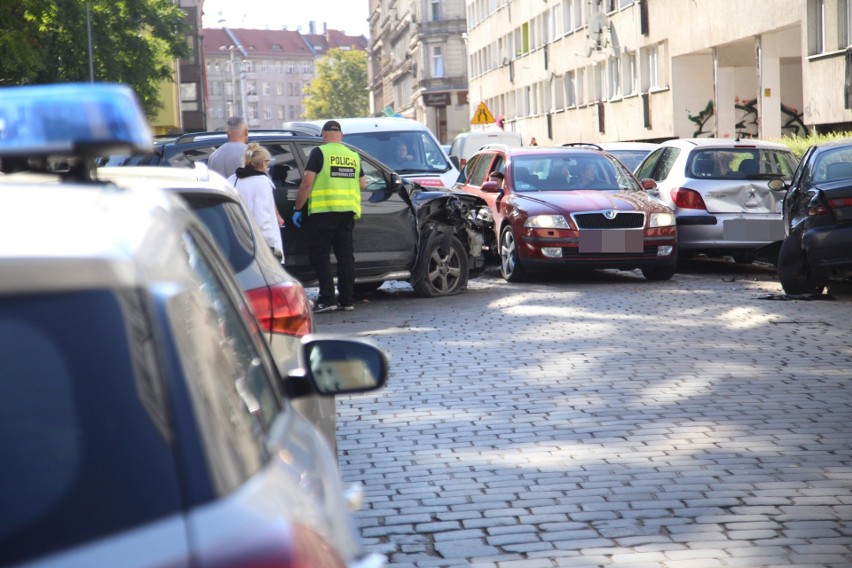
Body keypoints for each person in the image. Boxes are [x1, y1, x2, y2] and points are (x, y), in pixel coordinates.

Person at [292, 120, 366, 313]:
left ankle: (327, 298)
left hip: (323, 211)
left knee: (320, 255)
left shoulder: (319, 152)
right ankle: (346, 300)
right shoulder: (353, 155)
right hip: (347, 212)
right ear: (341, 135)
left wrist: (298, 208)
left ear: (323, 134)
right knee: (345, 257)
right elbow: (363, 184)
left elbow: (307, 183)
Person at [228, 143, 284, 261]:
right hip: (259, 246)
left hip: (236, 241)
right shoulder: (262, 183)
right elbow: (262, 218)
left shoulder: (232, 179)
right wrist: (272, 244)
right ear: (264, 163)